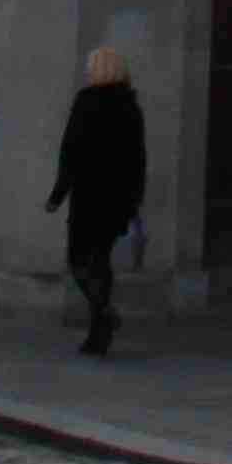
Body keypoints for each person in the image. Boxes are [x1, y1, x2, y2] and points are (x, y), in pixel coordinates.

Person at [46, 45, 147, 355]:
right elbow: (138, 159)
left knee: (78, 261)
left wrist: (57, 195)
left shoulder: (86, 102)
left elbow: (70, 153)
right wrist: (134, 202)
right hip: (118, 200)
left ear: (98, 70)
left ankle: (103, 310)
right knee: (101, 263)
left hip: (89, 195)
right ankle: (98, 336)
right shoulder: (131, 106)